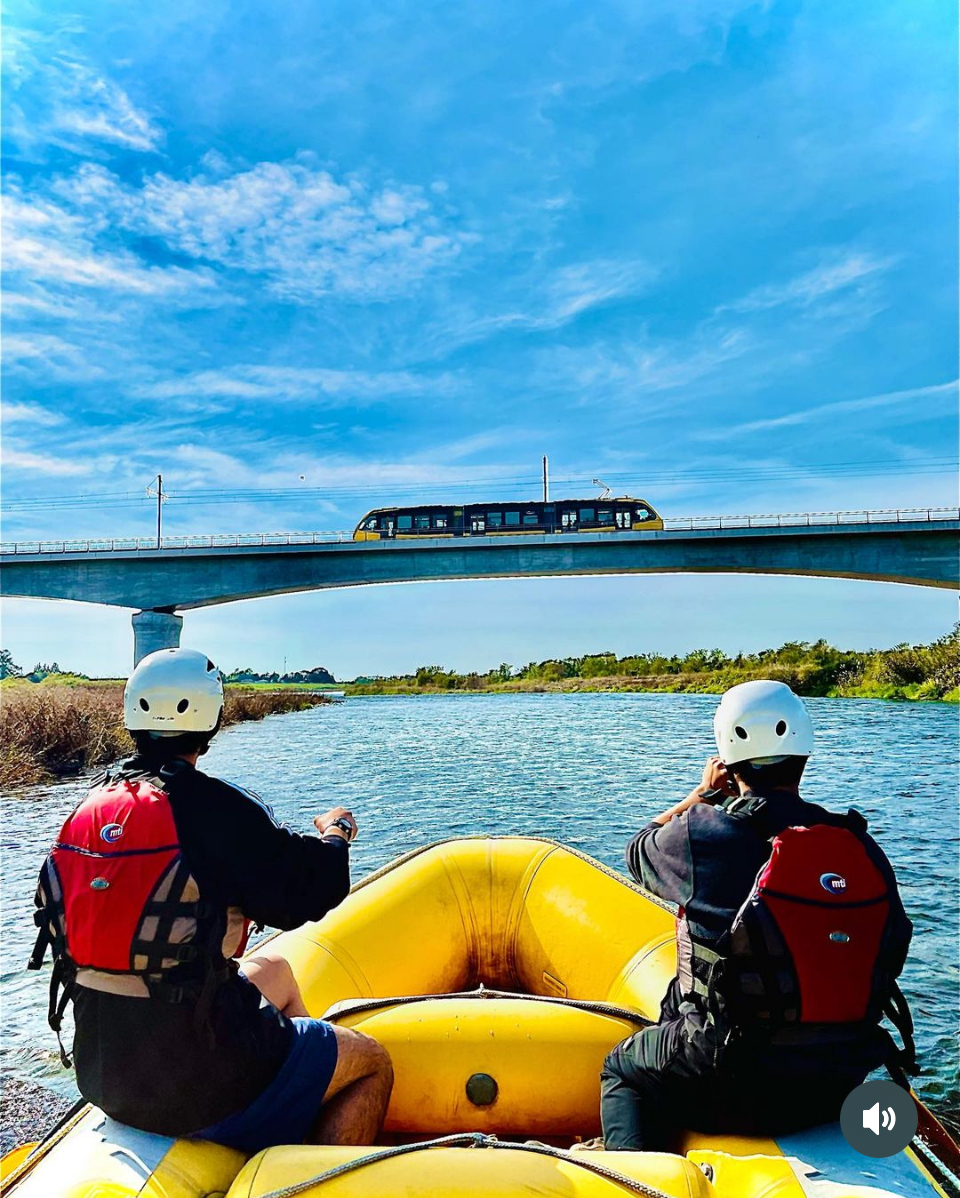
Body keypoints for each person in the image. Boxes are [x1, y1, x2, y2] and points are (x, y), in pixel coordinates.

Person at [29, 647, 393, 1154]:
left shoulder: (90, 805)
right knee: (372, 1062)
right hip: (201, 1087)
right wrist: (336, 832)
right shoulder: (215, 810)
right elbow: (311, 890)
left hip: (105, 1075)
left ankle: (296, 1098)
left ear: (133, 715)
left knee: (278, 969)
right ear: (213, 720)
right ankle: (308, 1153)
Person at [600, 679, 913, 1152]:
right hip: (837, 1085)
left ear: (726, 758)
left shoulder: (701, 834)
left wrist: (701, 795)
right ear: (805, 755)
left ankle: (637, 1173)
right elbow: (894, 948)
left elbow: (637, 850)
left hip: (728, 1084)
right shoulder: (860, 849)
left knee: (621, 1069)